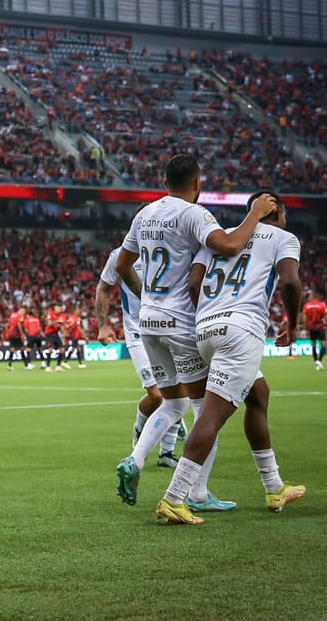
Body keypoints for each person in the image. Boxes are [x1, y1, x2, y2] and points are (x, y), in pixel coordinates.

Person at [114, 154, 277, 509]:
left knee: (173, 402)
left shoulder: (144, 214)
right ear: (198, 184)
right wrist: (255, 214)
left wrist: (147, 297)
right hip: (181, 323)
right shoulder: (194, 214)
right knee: (207, 413)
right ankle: (197, 494)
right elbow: (230, 245)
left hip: (149, 322)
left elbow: (123, 265)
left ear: (164, 181)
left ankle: (135, 459)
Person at [155, 190, 306, 524]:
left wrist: (211, 315)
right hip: (242, 331)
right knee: (213, 415)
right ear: (277, 210)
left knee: (258, 394)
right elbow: (290, 283)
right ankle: (173, 498)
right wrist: (293, 324)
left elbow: (194, 283)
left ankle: (274, 486)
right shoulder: (284, 237)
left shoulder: (218, 238)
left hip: (206, 328)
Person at [95, 247, 184, 469]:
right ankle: (140, 431)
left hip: (171, 328)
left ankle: (167, 453)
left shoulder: (173, 246)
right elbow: (103, 288)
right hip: (137, 332)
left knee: (177, 392)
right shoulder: (121, 254)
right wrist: (103, 325)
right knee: (156, 395)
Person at [302, 292, 327, 370]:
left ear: (313, 296)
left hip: (311, 328)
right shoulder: (322, 305)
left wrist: (306, 329)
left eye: (309, 296)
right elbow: (326, 317)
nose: (308, 298)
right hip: (320, 327)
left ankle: (316, 361)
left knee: (313, 345)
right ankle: (319, 361)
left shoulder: (306, 306)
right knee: (324, 345)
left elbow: (305, 319)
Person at [43, 304, 66, 371]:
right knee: (50, 350)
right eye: (57, 308)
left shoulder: (63, 316)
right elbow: (49, 324)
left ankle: (58, 366)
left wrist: (63, 330)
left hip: (56, 334)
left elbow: (62, 326)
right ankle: (48, 367)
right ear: (54, 308)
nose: (59, 309)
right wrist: (57, 321)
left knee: (62, 350)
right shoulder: (50, 313)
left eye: (60, 308)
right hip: (49, 334)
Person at [3, 304, 26, 370]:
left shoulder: (12, 315)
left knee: (12, 349)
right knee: (22, 348)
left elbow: (8, 324)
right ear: (22, 311)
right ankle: (26, 365)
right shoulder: (20, 316)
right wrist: (22, 334)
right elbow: (19, 324)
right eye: (24, 312)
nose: (24, 313)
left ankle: (9, 365)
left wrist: (7, 331)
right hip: (16, 334)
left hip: (11, 333)